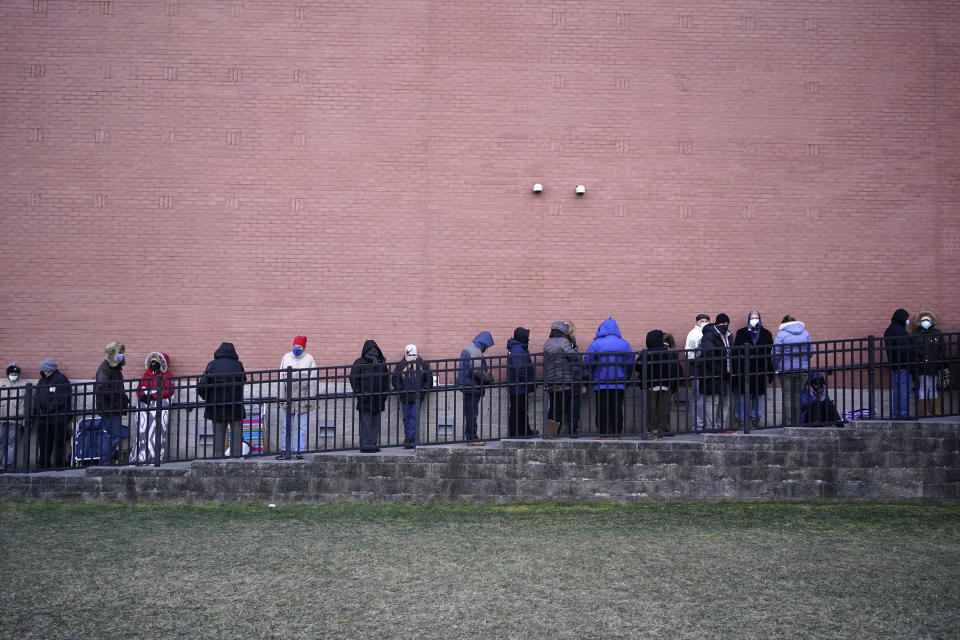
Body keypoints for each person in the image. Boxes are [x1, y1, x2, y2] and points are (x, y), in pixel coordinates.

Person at [196, 342, 246, 458]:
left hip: (216, 405)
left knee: (218, 434)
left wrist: (207, 398)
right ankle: (236, 457)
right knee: (236, 433)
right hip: (235, 404)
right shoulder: (238, 365)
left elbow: (202, 386)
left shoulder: (212, 365)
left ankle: (218, 458)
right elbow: (243, 380)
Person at [586, 317, 633, 435]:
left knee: (602, 409)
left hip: (601, 383)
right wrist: (626, 376)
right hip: (619, 382)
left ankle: (602, 433)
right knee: (617, 409)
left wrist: (592, 373)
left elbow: (588, 361)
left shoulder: (596, 344)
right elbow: (630, 362)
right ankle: (616, 433)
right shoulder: (625, 344)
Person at [277, 335, 317, 459]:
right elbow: (281, 379)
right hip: (288, 399)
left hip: (303, 398)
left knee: (302, 427)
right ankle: (285, 450)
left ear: (303, 347)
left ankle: (299, 451)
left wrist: (310, 399)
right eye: (295, 346)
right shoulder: (286, 357)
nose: (296, 348)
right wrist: (281, 397)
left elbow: (313, 381)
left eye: (299, 346)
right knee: (286, 427)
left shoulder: (309, 359)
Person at [732, 311, 774, 428]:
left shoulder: (766, 334)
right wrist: (736, 369)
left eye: (756, 317)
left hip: (759, 369)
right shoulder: (741, 333)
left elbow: (769, 354)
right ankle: (740, 419)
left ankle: (755, 418)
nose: (754, 319)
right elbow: (736, 351)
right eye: (752, 317)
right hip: (744, 369)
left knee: (758, 395)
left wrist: (770, 370)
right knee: (742, 395)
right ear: (748, 319)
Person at [129, 352, 173, 464]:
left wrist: (153, 396)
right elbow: (140, 387)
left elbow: (169, 391)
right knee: (142, 430)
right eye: (152, 362)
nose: (154, 364)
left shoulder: (167, 375)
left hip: (158, 405)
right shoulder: (147, 374)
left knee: (157, 429)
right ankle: (141, 455)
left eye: (156, 362)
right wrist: (142, 396)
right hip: (146, 406)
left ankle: (154, 456)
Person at [637, 330, 682, 439]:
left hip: (650, 385)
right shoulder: (668, 353)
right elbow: (673, 368)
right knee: (663, 408)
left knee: (651, 408)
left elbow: (637, 367)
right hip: (666, 385)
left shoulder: (646, 353)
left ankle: (652, 430)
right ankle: (661, 431)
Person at [542, 321, 582, 437]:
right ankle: (563, 432)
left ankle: (552, 432)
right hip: (564, 379)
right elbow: (574, 357)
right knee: (564, 406)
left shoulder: (547, 342)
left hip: (551, 378)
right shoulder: (563, 342)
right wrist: (574, 348)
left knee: (554, 406)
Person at [350, 339, 390, 453]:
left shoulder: (381, 363)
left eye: (375, 349)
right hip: (365, 398)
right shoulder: (360, 362)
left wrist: (384, 394)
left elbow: (386, 379)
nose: (373, 351)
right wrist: (359, 393)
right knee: (366, 423)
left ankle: (373, 443)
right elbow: (354, 378)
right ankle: (365, 444)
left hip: (378, 398)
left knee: (375, 423)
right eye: (370, 349)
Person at [94, 342, 130, 465]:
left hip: (114, 407)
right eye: (119, 354)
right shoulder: (105, 369)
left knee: (113, 435)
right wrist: (118, 399)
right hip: (109, 408)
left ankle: (107, 460)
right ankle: (105, 461)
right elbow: (103, 388)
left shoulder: (115, 369)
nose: (121, 356)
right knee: (111, 435)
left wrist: (123, 399)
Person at [456, 332, 494, 444]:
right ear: (485, 343)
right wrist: (488, 378)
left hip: (467, 385)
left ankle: (471, 437)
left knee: (470, 413)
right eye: (487, 346)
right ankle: (472, 438)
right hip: (472, 386)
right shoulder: (475, 351)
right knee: (472, 413)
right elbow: (477, 370)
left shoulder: (469, 347)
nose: (486, 349)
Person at [773, 315, 813, 425]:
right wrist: (804, 361)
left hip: (786, 370)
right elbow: (811, 351)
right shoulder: (805, 333)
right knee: (798, 396)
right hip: (802, 369)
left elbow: (776, 353)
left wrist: (776, 367)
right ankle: (797, 421)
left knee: (787, 396)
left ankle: (789, 422)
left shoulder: (781, 334)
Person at [392, 344, 432, 449]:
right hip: (405, 396)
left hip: (417, 396)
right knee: (406, 417)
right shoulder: (401, 365)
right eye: (410, 354)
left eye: (414, 354)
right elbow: (395, 379)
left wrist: (423, 389)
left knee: (413, 417)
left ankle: (410, 439)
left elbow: (429, 379)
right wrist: (400, 389)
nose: (412, 356)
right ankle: (409, 438)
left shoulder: (422, 364)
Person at [33, 358, 71, 469]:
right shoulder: (42, 380)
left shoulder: (61, 380)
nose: (42, 371)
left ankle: (59, 464)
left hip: (57, 418)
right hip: (43, 419)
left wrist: (49, 410)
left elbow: (60, 399)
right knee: (44, 443)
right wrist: (38, 410)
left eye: (44, 369)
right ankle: (44, 463)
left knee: (59, 442)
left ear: (50, 370)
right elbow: (37, 397)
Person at [697, 314, 733, 429]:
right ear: (717, 324)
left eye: (727, 324)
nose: (725, 326)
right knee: (713, 402)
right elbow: (709, 356)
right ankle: (711, 427)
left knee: (725, 402)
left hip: (727, 374)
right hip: (712, 374)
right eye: (722, 324)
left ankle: (720, 425)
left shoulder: (729, 336)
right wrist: (720, 371)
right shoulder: (709, 336)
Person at [912, 310, 945, 416]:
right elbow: (913, 349)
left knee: (933, 387)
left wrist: (939, 360)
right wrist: (919, 356)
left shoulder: (937, 333)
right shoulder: (915, 334)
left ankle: (936, 409)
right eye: (923, 320)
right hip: (922, 365)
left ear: (931, 322)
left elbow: (942, 348)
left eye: (927, 320)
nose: (925, 322)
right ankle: (924, 410)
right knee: (923, 387)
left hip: (934, 364)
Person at [506, 327, 536, 438]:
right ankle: (516, 433)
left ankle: (524, 431)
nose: (528, 338)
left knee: (521, 410)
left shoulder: (518, 348)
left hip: (519, 386)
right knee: (518, 410)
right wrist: (527, 381)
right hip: (519, 386)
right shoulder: (517, 350)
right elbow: (520, 369)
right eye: (526, 336)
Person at [883, 309, 912, 419]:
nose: (907, 321)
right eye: (906, 319)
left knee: (898, 390)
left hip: (895, 365)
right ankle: (903, 414)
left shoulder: (889, 330)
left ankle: (896, 414)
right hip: (903, 365)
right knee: (904, 390)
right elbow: (904, 349)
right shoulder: (900, 331)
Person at [685, 314, 710, 429]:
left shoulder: (710, 333)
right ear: (697, 322)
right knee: (699, 399)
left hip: (708, 371)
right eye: (702, 321)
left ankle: (706, 424)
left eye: (706, 321)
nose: (704, 322)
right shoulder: (693, 334)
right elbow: (689, 353)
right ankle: (698, 425)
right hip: (698, 371)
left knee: (708, 401)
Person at [0, 363, 27, 469]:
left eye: (15, 373)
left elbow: (28, 404)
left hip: (16, 419)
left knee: (11, 442)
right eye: (11, 373)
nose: (13, 374)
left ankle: (7, 464)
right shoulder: (1, 384)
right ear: (8, 373)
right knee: (0, 441)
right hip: (1, 418)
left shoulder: (24, 385)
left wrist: (25, 420)